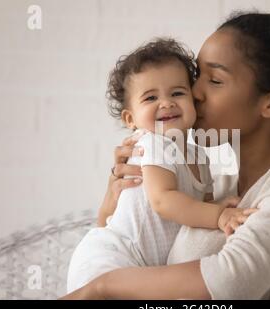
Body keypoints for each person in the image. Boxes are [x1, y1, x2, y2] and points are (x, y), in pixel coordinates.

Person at [61, 0, 270, 300]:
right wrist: (115, 204)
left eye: (215, 80)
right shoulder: (217, 189)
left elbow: (233, 283)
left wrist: (103, 288)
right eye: (197, 77)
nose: (194, 93)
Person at [66, 38, 256, 293]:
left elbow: (195, 209)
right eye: (151, 97)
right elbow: (163, 201)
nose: (166, 103)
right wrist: (219, 216)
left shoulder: (200, 157)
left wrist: (219, 206)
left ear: (193, 100)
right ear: (130, 118)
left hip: (143, 269)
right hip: (111, 259)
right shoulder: (155, 144)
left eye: (177, 93)